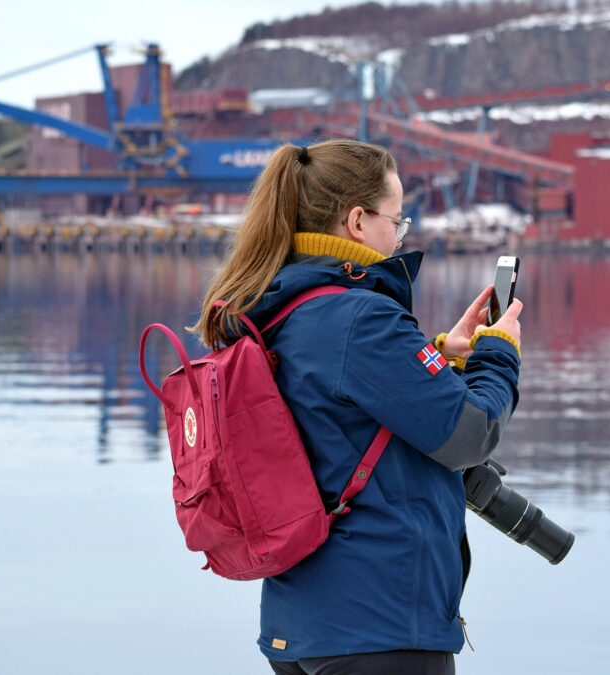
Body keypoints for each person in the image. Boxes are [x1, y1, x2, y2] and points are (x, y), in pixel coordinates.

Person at [191, 139, 522, 675]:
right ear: (357, 222)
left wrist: (437, 360)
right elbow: (470, 434)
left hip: (300, 627)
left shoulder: (277, 307)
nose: (399, 236)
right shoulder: (360, 317)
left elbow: (337, 413)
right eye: (398, 220)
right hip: (379, 626)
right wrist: (498, 354)